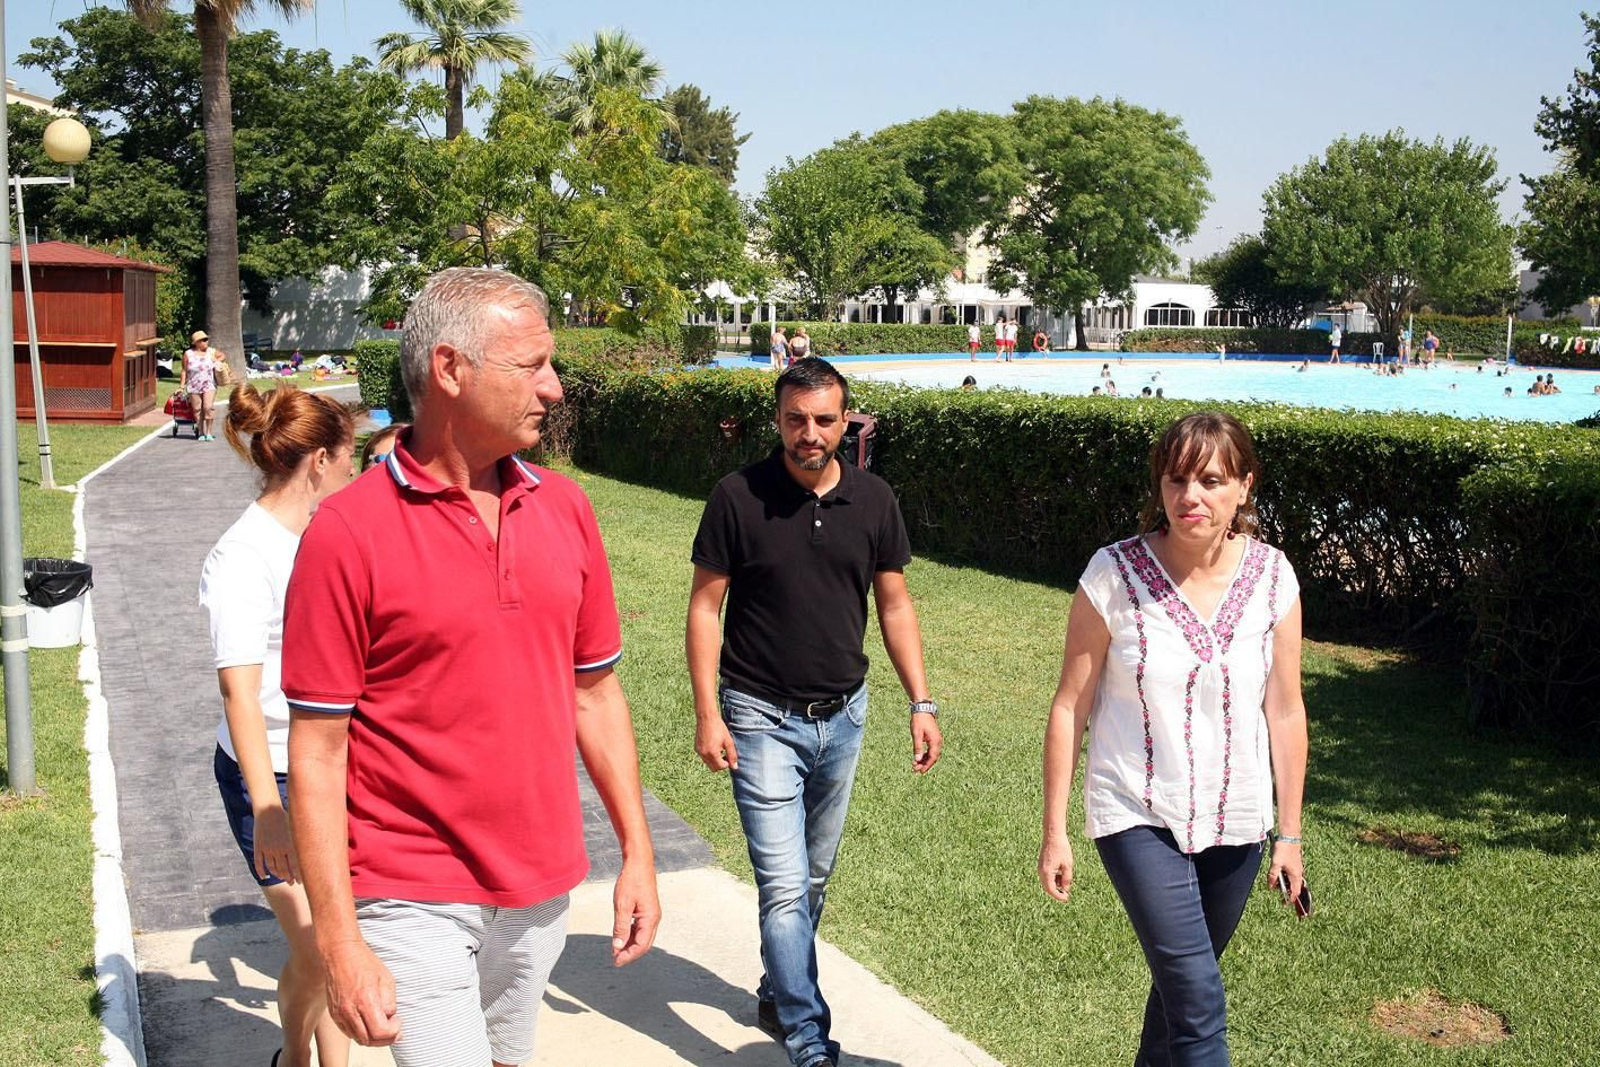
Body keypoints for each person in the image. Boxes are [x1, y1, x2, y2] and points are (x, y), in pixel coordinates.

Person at [283, 268, 661, 1065]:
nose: (553, 388)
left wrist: (638, 852)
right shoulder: (346, 532)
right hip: (409, 883)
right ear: (450, 370)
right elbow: (318, 751)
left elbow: (595, 693)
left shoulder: (566, 508)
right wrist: (340, 940)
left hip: (541, 885)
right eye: (532, 367)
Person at [687, 358, 943, 1067]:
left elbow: (894, 603)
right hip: (758, 714)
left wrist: (921, 700)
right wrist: (708, 711)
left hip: (844, 717)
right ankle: (807, 1033)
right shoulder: (738, 497)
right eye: (796, 419)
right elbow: (706, 608)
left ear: (845, 421)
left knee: (814, 876)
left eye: (824, 420)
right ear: (779, 420)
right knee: (785, 883)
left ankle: (777, 985)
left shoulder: (874, 499)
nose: (809, 433)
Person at [1039, 411, 1308, 1067]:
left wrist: (1290, 833)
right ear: (1159, 487)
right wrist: (1055, 827)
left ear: (1244, 486)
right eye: (1177, 478)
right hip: (1135, 810)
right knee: (1199, 1003)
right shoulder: (1113, 574)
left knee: (1178, 993)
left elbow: (1286, 709)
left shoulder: (1274, 578)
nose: (1192, 497)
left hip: (1238, 820)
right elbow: (1070, 704)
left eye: (1212, 480)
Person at [202, 383, 357, 1067]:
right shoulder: (242, 554)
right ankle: (294, 1056)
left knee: (340, 942)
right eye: (350, 457)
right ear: (320, 459)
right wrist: (267, 807)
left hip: (332, 762)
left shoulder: (334, 536)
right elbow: (240, 689)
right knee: (322, 949)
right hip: (268, 771)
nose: (355, 472)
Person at [185, 330, 222, 441]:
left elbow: (222, 355)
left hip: (209, 384)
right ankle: (201, 432)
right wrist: (182, 385)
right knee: (197, 410)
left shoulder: (211, 352)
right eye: (204, 340)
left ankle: (209, 432)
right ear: (196, 342)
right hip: (193, 384)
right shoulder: (188, 354)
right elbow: (184, 370)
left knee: (208, 407)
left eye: (206, 339)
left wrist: (216, 360)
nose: (206, 342)